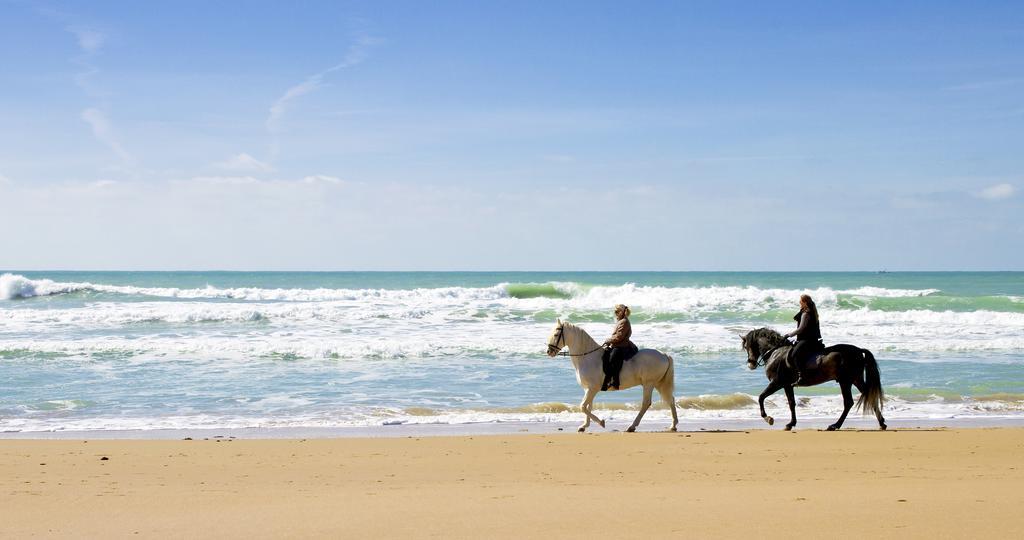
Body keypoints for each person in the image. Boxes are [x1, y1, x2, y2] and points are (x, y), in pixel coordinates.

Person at [784, 294, 823, 385]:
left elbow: (801, 329)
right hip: (813, 340)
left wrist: (789, 334)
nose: (799, 303)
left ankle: (802, 376)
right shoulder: (812, 311)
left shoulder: (806, 313)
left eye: (800, 301)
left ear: (804, 302)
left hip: (807, 340)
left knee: (794, 354)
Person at [602, 304, 638, 391]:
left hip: (622, 346)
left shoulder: (624, 322)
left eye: (617, 311)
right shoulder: (620, 321)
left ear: (622, 312)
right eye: (615, 311)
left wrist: (609, 340)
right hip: (616, 344)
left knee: (612, 359)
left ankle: (614, 382)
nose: (616, 313)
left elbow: (619, 337)